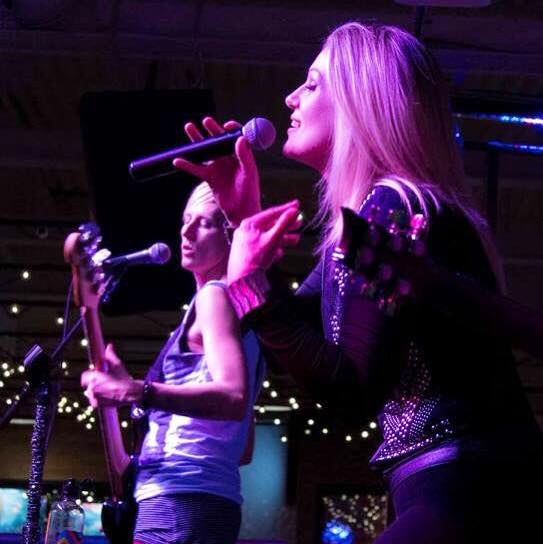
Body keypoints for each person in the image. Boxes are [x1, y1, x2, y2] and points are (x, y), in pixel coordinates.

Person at [173, 23, 543, 543]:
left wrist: (250, 284)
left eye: (312, 83)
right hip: (458, 485)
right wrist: (243, 218)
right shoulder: (367, 219)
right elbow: (293, 345)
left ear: (360, 103)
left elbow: (346, 389)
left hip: (471, 485)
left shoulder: (394, 205)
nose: (291, 97)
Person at [81, 182, 265, 544]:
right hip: (207, 505)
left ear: (232, 237)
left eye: (204, 223)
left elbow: (233, 396)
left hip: (179, 502)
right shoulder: (242, 311)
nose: (186, 231)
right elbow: (242, 449)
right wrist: (120, 394)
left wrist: (137, 391)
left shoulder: (214, 297)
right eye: (185, 220)